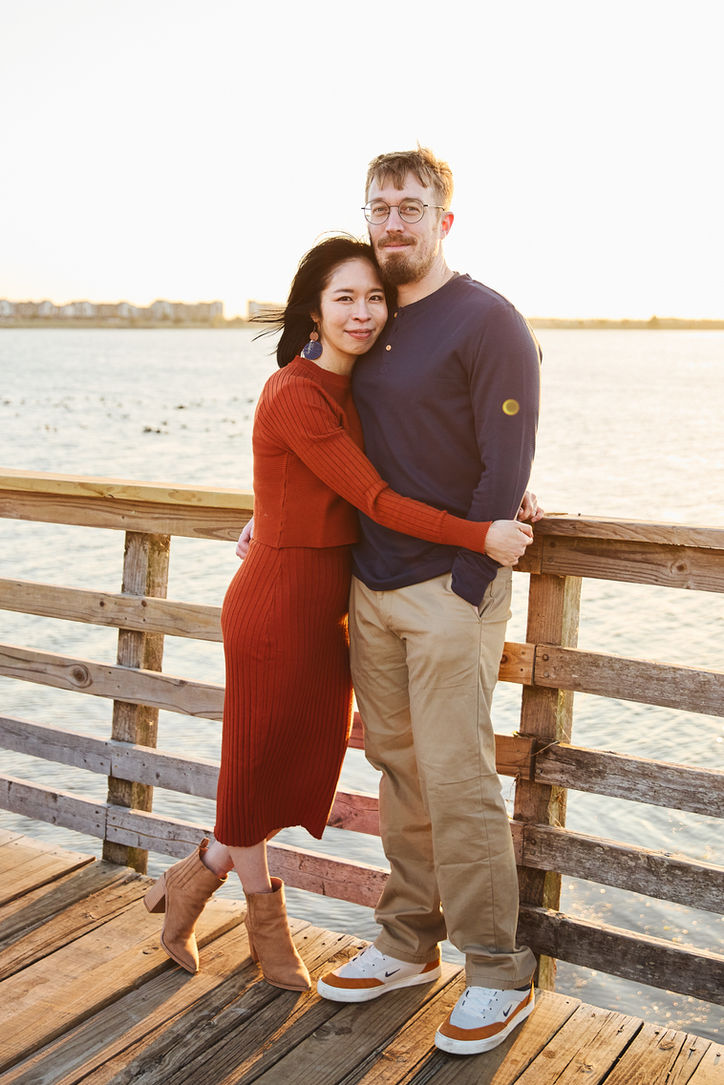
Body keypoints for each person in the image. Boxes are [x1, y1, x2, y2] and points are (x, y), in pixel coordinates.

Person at [144, 235, 534, 994]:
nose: (363, 312)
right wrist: (480, 533)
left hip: (331, 606)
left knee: (292, 769)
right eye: (345, 298)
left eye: (374, 297)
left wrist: (514, 487)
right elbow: (375, 498)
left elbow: (425, 451)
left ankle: (186, 883)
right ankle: (265, 923)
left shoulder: (361, 390)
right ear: (314, 312)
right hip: (275, 603)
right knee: (253, 772)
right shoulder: (294, 390)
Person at [314, 149, 543, 1056]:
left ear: (445, 219)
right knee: (401, 775)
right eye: (381, 208)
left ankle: (496, 970)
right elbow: (311, 410)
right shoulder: (361, 318)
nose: (394, 222)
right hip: (372, 588)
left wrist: (473, 586)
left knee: (458, 783)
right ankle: (407, 941)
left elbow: (507, 463)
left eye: (412, 207)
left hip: (454, 592)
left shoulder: (490, 322)